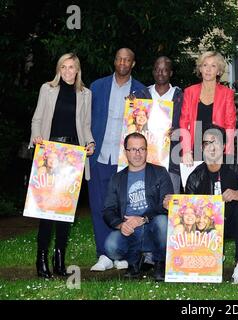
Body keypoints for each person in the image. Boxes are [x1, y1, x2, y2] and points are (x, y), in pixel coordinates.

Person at [29, 52, 95, 278]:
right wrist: (36, 137)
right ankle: (41, 260)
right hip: (49, 155)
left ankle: (59, 260)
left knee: (65, 213)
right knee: (47, 212)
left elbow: (85, 125)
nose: (68, 71)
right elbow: (37, 119)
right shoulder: (47, 89)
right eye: (64, 67)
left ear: (77, 70)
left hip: (72, 157)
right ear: (59, 69)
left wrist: (91, 142)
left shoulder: (86, 94)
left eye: (72, 67)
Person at [165, 124, 238, 284]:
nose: (211, 147)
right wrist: (173, 205)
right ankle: (209, 255)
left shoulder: (235, 166)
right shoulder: (195, 176)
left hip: (232, 221)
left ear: (223, 146)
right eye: (206, 143)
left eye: (215, 142)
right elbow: (188, 207)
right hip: (208, 227)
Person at [89, 48, 146, 272]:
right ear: (115, 61)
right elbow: (85, 119)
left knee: (124, 208)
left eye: (127, 60)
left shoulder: (141, 90)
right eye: (119, 59)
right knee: (97, 206)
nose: (123, 62)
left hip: (126, 160)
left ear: (133, 64)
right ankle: (103, 255)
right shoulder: (97, 87)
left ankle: (119, 252)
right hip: (99, 156)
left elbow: (148, 125)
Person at [102, 132, 173, 280]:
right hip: (130, 230)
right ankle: (136, 259)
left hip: (153, 227)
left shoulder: (160, 173)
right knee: (110, 246)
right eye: (133, 149)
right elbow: (108, 210)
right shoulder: (117, 178)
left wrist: (143, 218)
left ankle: (160, 262)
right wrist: (121, 225)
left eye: (142, 149)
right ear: (125, 152)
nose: (138, 153)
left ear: (147, 150)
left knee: (162, 222)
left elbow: (166, 205)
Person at [130, 56, 184, 194]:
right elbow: (131, 125)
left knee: (171, 203)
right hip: (144, 160)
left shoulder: (181, 97)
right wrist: (130, 107)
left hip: (171, 162)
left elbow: (189, 124)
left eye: (165, 70)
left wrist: (178, 131)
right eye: (157, 70)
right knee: (146, 201)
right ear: (153, 72)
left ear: (170, 73)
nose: (161, 73)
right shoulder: (140, 96)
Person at [179, 51, 236, 165]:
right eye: (205, 65)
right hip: (195, 150)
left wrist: (229, 154)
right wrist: (186, 151)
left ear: (219, 71)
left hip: (218, 149)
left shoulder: (227, 93)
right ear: (200, 69)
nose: (208, 69)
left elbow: (230, 125)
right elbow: (184, 123)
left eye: (213, 66)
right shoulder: (189, 92)